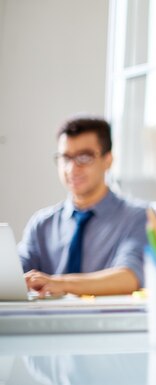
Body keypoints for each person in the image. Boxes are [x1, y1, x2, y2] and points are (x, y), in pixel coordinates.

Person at [18, 116, 147, 297]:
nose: (72, 168)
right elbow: (13, 276)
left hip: (107, 324)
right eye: (65, 157)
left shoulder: (138, 217)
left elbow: (129, 277)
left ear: (108, 160)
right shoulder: (42, 224)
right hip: (44, 324)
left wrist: (58, 283)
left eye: (84, 157)